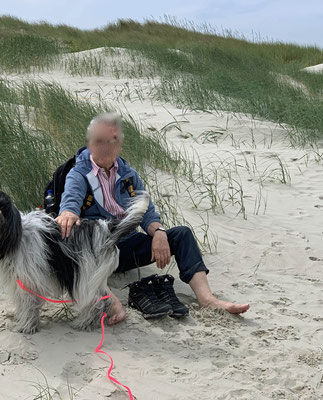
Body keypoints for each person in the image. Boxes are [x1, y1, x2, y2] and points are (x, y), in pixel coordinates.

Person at [55, 112, 250, 325]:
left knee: (181, 234)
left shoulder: (129, 175)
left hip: (126, 247)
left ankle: (207, 299)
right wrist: (68, 213)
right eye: (99, 141)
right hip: (97, 250)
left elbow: (147, 213)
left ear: (119, 144)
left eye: (111, 141)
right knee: (80, 245)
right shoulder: (79, 173)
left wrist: (158, 232)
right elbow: (70, 202)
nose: (105, 147)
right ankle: (111, 303)